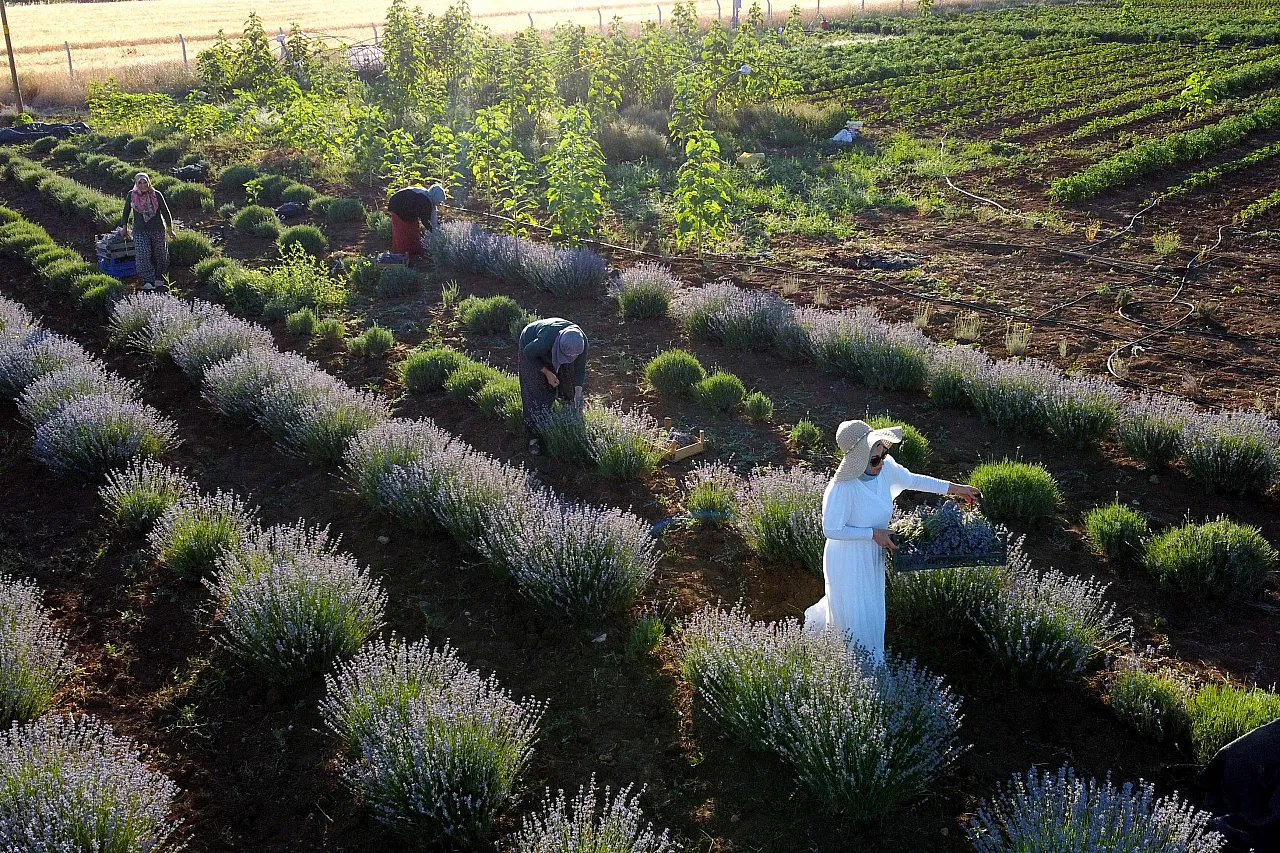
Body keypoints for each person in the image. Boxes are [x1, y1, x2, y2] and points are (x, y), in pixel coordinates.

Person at [804, 419, 980, 665]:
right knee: (855, 614)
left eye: (883, 453)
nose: (881, 461)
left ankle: (866, 663)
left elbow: (914, 481)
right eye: (874, 459)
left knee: (871, 610)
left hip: (870, 555)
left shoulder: (886, 469)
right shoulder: (842, 488)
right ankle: (855, 668)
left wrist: (956, 489)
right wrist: (873, 534)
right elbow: (831, 529)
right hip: (847, 559)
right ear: (858, 459)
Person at [518, 317, 587, 455]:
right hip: (530, 346)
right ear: (560, 348)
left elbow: (579, 369)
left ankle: (570, 416)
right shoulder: (545, 342)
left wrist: (578, 392)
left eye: (575, 356)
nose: (573, 358)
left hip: (560, 346)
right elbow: (528, 353)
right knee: (535, 390)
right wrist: (547, 373)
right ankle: (533, 437)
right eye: (568, 356)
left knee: (569, 384)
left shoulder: (581, 342)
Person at [120, 173, 174, 292]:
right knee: (143, 255)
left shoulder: (156, 195)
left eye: (145, 182)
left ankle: (160, 278)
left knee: (161, 255)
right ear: (136, 183)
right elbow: (126, 211)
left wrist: (170, 229)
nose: (143, 185)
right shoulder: (132, 195)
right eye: (140, 183)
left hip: (158, 229)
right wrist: (124, 227)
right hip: (140, 231)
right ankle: (148, 280)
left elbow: (166, 212)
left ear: (149, 182)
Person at [386, 183, 446, 256]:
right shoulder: (425, 199)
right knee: (402, 231)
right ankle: (401, 254)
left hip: (407, 209)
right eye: (439, 201)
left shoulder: (428, 196)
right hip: (398, 207)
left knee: (413, 229)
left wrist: (436, 228)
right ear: (436, 197)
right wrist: (432, 231)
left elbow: (431, 217)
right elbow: (425, 220)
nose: (439, 204)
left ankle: (412, 252)